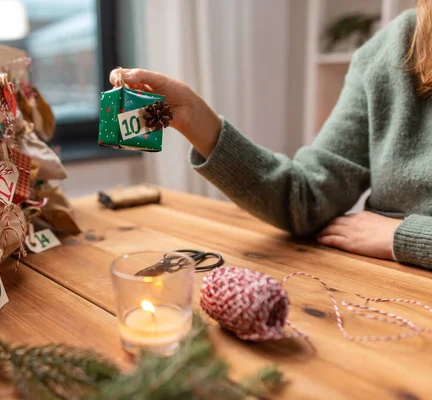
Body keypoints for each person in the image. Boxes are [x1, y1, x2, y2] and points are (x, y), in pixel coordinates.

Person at [110, 3, 432, 270]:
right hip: (381, 289)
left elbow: (400, 236)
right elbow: (305, 198)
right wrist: (194, 118)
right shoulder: (388, 51)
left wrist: (405, 237)